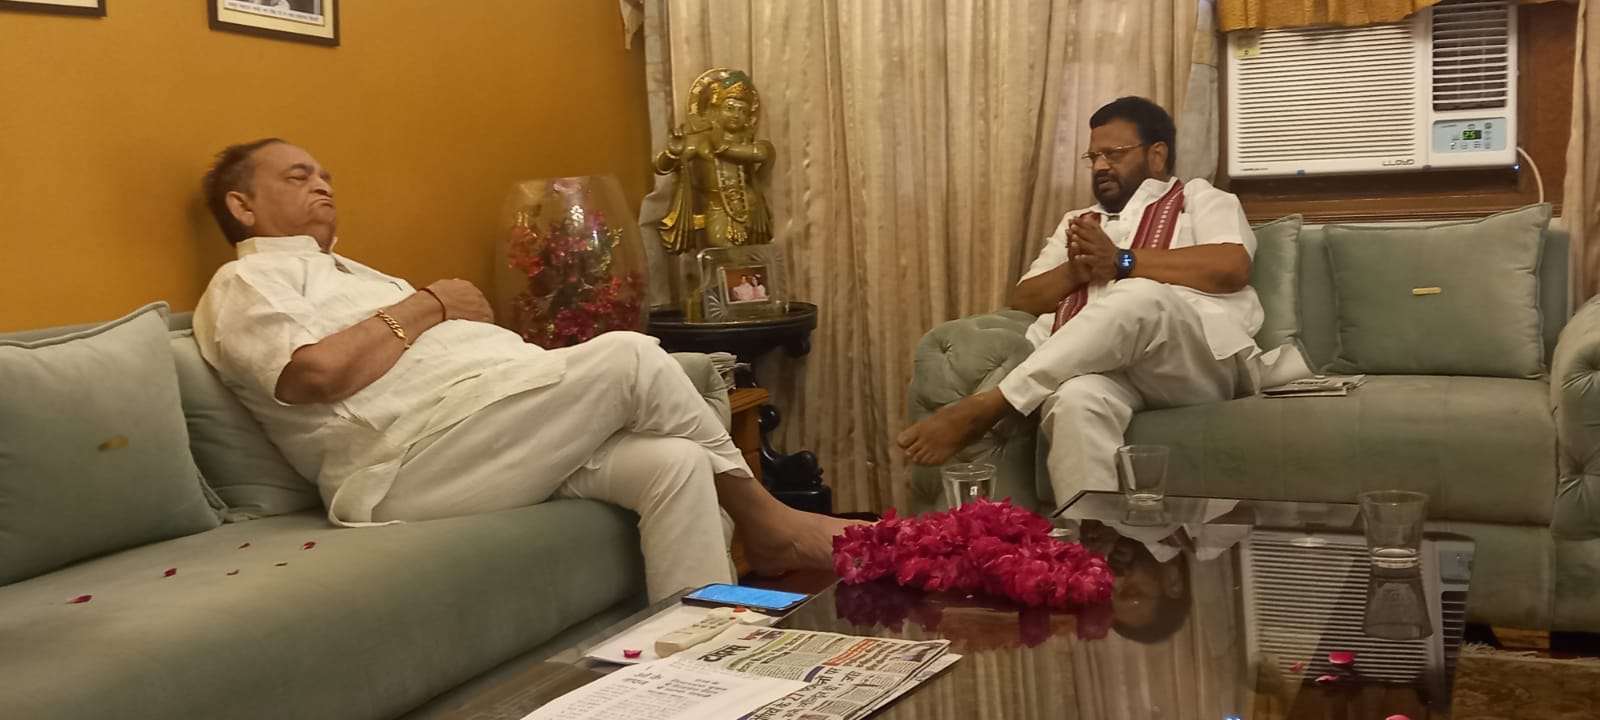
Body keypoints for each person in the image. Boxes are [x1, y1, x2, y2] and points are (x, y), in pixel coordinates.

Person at [192, 139, 855, 602]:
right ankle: (769, 524)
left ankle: (698, 665)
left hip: (489, 430)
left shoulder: (357, 275)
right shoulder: (246, 282)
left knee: (675, 462)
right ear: (243, 207)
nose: (323, 185)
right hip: (405, 464)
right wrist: (429, 303)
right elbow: (311, 375)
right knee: (628, 356)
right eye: (298, 176)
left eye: (325, 175)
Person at [898, 97, 1306, 504]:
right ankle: (1096, 535)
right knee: (1074, 401)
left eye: (1115, 154)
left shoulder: (1200, 198)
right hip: (1112, 372)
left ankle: (991, 405)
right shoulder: (1078, 223)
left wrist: (1121, 261)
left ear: (1157, 155)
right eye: (1093, 157)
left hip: (1192, 363)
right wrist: (1076, 271)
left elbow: (1231, 266)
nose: (1100, 166)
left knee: (1140, 293)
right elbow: (1024, 299)